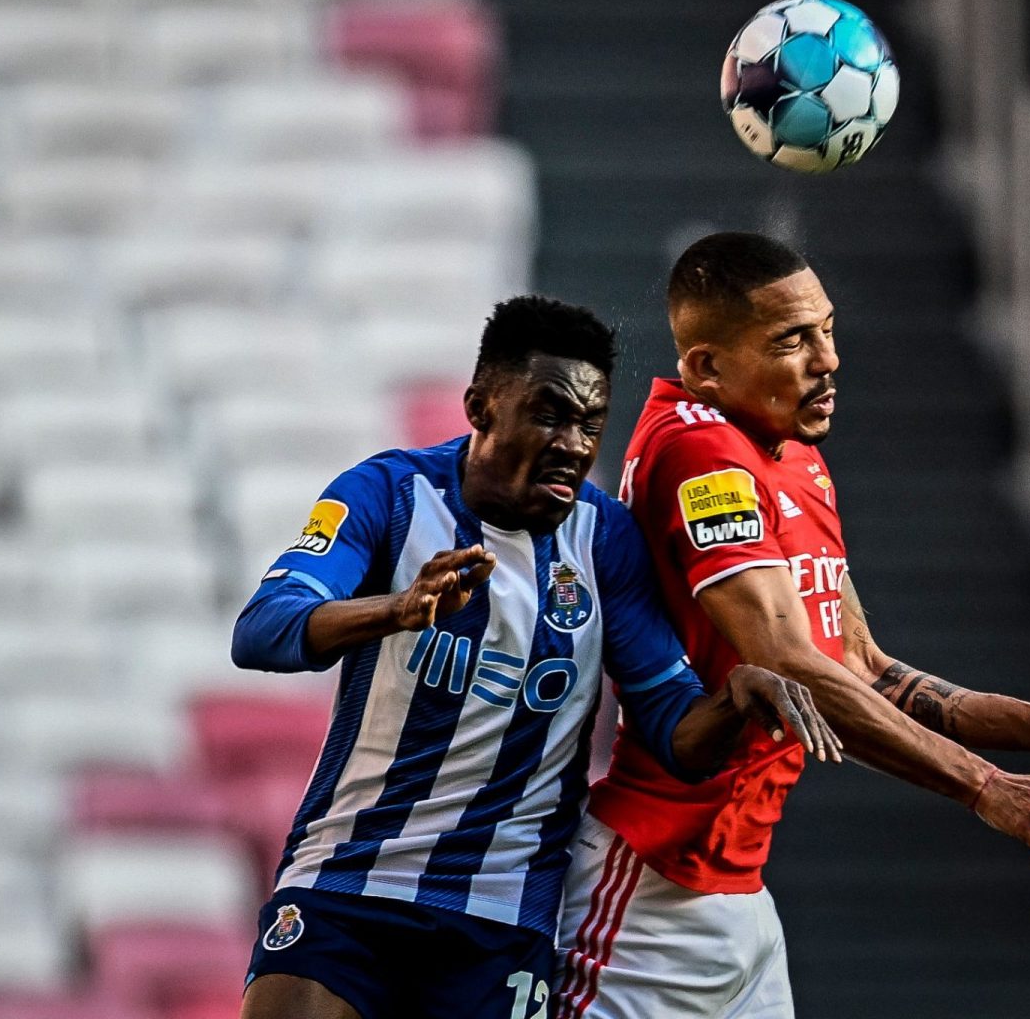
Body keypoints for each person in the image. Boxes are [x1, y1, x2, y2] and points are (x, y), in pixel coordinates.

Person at [556, 232, 1030, 1018]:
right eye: (792, 341)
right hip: (652, 885)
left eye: (827, 329)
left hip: (738, 890)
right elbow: (788, 666)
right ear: (708, 368)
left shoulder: (791, 455)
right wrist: (983, 785)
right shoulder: (700, 453)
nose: (828, 359)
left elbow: (863, 667)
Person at [228, 295, 837, 1019]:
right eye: (550, 413)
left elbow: (674, 729)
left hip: (500, 912)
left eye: (590, 424)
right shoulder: (390, 493)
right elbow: (263, 629)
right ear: (480, 406)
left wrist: (734, 698)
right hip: (346, 881)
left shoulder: (605, 539)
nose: (574, 444)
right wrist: (394, 610)